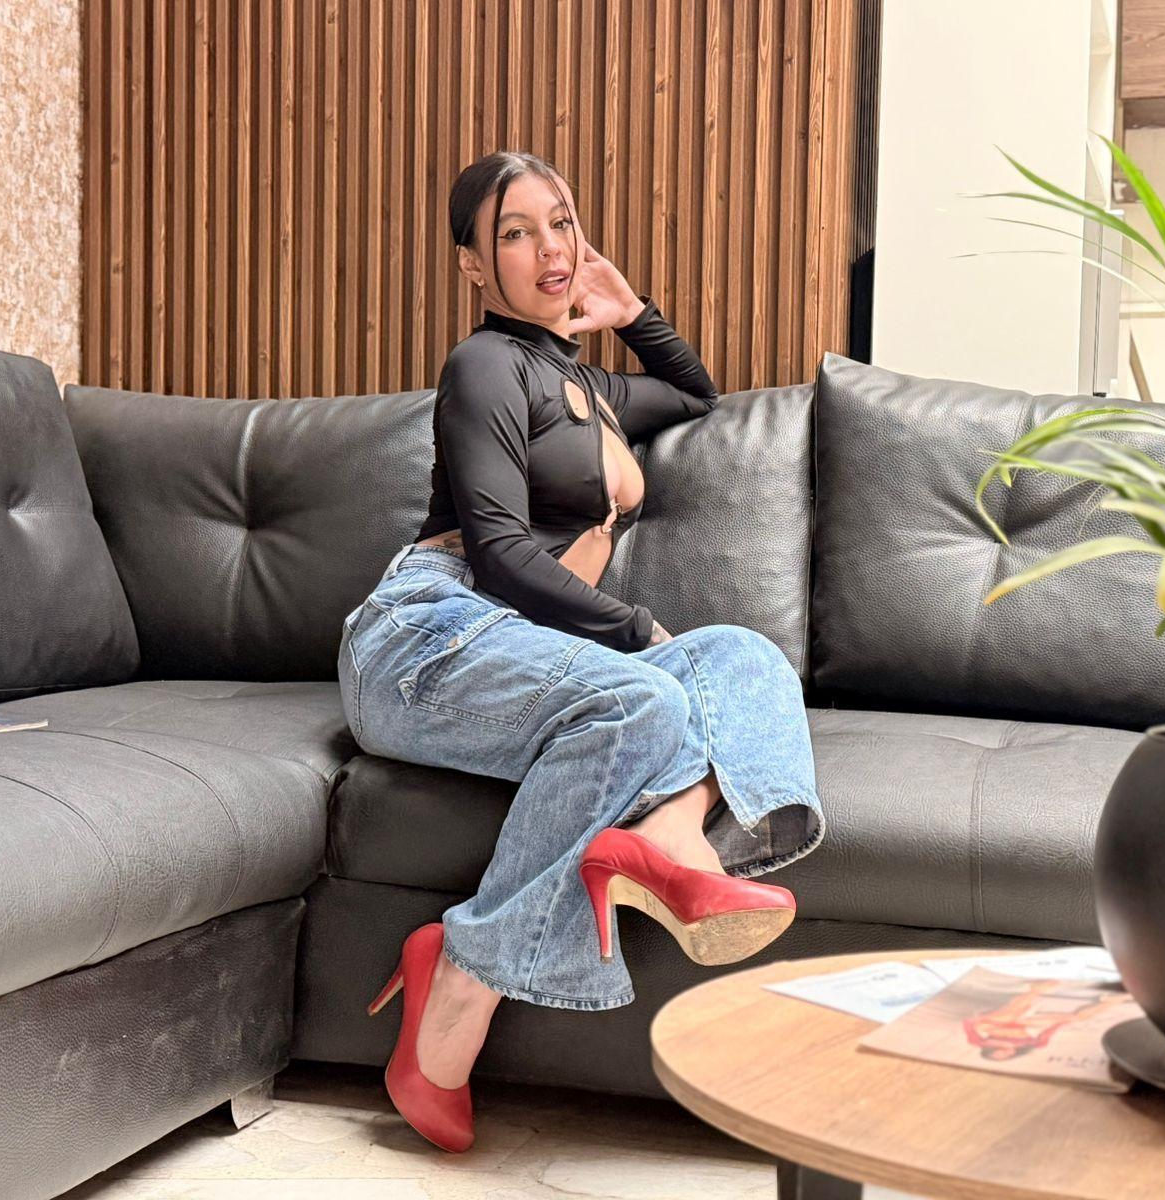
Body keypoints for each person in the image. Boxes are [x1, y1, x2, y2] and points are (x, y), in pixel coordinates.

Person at [336, 149, 825, 1153]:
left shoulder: (586, 385)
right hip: (430, 633)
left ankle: (670, 837)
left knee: (746, 660)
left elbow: (694, 394)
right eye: (515, 233)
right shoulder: (484, 366)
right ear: (475, 266)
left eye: (560, 222)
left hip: (530, 650)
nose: (549, 248)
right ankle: (464, 983)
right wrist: (638, 631)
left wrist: (630, 309)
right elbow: (497, 550)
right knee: (645, 700)